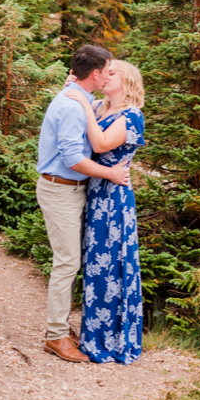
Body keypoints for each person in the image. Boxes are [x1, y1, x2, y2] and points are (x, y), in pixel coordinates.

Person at [34, 44, 130, 363]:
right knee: (67, 263)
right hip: (61, 189)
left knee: (70, 261)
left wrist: (75, 88)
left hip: (73, 190)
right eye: (107, 71)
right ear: (95, 74)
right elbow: (73, 157)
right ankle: (56, 336)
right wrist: (111, 174)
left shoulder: (80, 100)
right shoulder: (73, 106)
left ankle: (60, 329)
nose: (108, 76)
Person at [67, 59, 146, 365]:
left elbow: (99, 145)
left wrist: (83, 104)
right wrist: (75, 89)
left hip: (115, 197)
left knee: (111, 263)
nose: (105, 75)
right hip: (97, 192)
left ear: (127, 82)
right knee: (95, 264)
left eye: (112, 72)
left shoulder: (131, 116)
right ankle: (93, 335)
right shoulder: (100, 107)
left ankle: (113, 340)